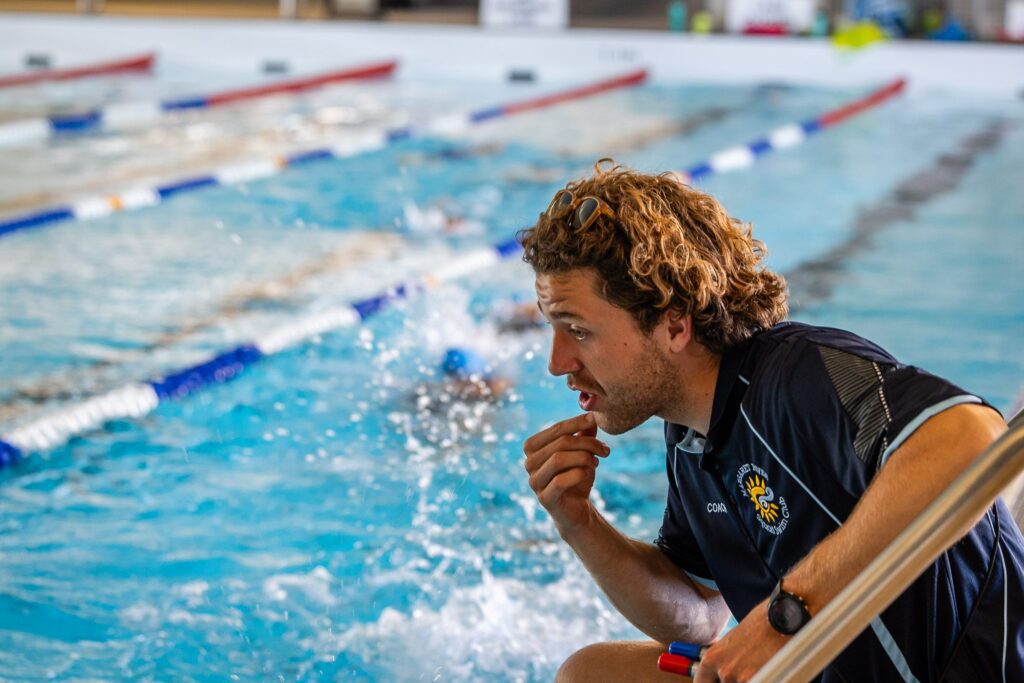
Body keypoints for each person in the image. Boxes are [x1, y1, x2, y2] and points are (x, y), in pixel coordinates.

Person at [517, 160, 1023, 682]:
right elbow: (698, 614)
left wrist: (785, 619)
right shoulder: (692, 435)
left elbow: (975, 438)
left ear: (673, 324)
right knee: (594, 673)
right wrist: (580, 524)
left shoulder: (800, 377)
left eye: (577, 330)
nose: (558, 362)